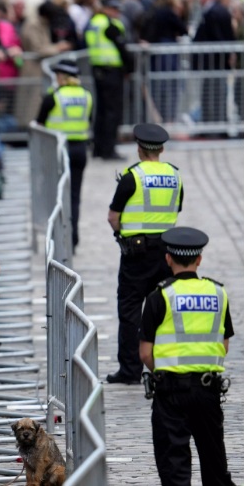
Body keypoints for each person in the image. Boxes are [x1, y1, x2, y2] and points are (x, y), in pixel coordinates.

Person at [139, 227, 236, 485]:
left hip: (170, 392)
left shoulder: (159, 296)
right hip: (208, 390)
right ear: (199, 259)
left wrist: (168, 366)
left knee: (175, 468)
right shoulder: (218, 294)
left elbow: (145, 353)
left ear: (168, 258)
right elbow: (224, 346)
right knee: (215, 464)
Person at [106, 124, 183, 385]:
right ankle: (163, 364)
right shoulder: (175, 175)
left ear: (139, 149)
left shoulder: (132, 176)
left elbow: (113, 217)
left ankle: (130, 370)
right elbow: (177, 208)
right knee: (162, 309)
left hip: (136, 252)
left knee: (130, 309)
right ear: (161, 149)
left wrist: (121, 236)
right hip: (167, 252)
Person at [36, 59, 92, 248]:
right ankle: (73, 239)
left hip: (57, 151)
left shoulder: (54, 96)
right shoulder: (86, 95)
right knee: (74, 196)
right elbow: (89, 119)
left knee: (55, 196)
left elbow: (39, 123)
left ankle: (58, 241)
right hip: (79, 150)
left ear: (61, 77)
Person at [84, 0, 129, 160]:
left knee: (101, 111)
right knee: (112, 112)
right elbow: (122, 48)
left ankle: (98, 149)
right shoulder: (111, 25)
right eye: (114, 9)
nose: (117, 13)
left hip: (97, 69)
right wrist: (130, 67)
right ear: (107, 9)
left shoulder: (93, 22)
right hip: (111, 70)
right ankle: (108, 150)